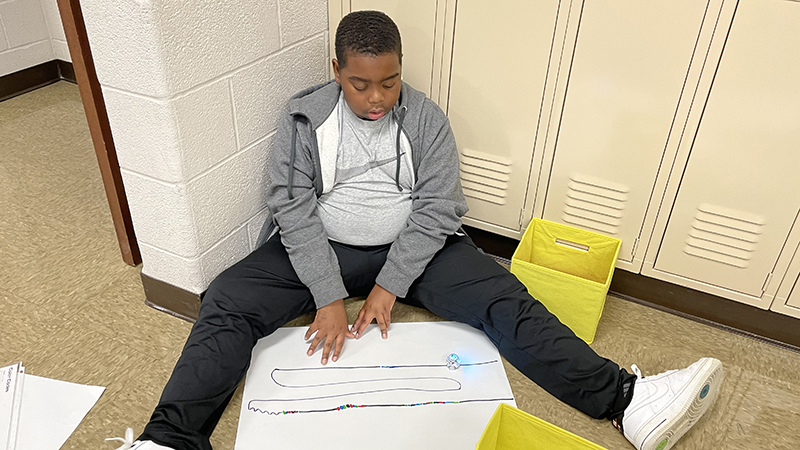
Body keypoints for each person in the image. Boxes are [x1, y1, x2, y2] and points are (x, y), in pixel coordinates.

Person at [107, 10, 722, 450]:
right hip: (323, 247)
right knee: (226, 299)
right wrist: (327, 295)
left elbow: (436, 208)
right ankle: (170, 438)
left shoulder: (425, 119)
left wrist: (388, 286)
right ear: (336, 71)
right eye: (359, 82)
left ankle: (626, 403)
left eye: (389, 80)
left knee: (503, 298)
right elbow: (291, 207)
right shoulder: (302, 116)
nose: (377, 97)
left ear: (401, 70)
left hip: (420, 248)